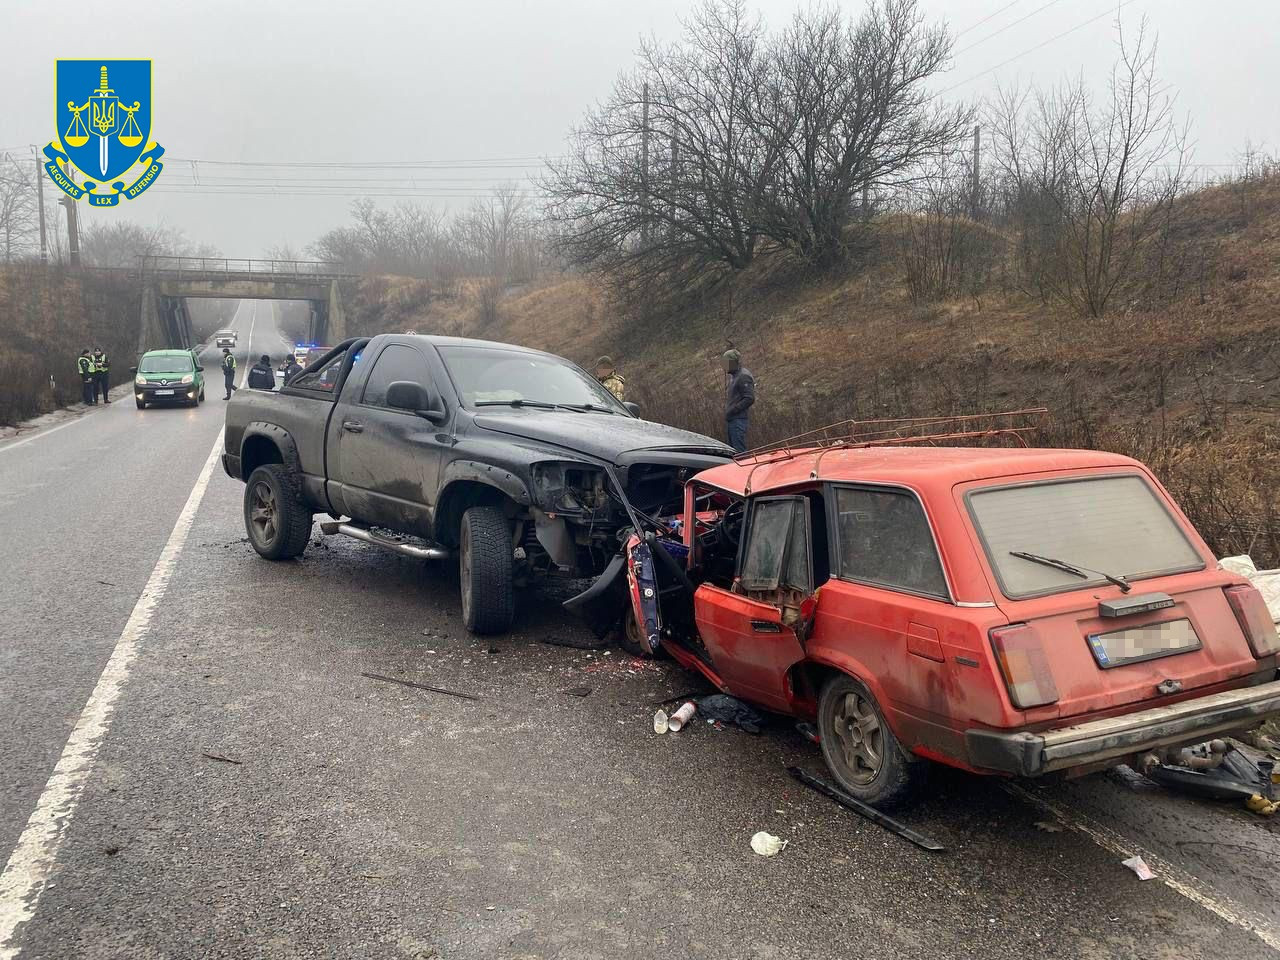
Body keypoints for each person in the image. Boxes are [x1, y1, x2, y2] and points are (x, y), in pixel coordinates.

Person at [722, 348, 755, 453]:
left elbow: (749, 398)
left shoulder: (743, 376)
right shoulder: (735, 376)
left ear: (733, 362)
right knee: (733, 453)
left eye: (726, 363)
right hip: (732, 420)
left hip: (738, 421)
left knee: (739, 454)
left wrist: (733, 410)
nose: (724, 366)